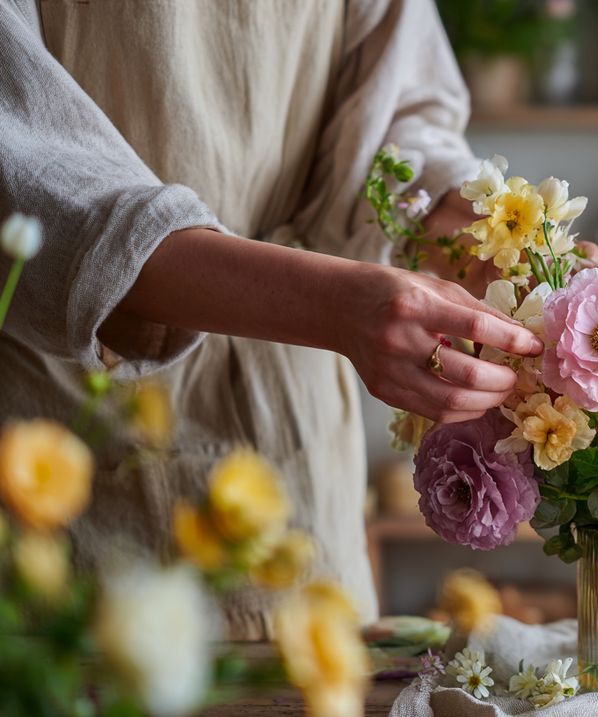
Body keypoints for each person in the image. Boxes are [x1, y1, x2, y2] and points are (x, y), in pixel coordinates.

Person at [0, 0, 539, 638]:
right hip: (68, 452)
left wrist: (479, 243)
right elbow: (28, 170)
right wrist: (332, 305)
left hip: (297, 456)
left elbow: (395, 109)